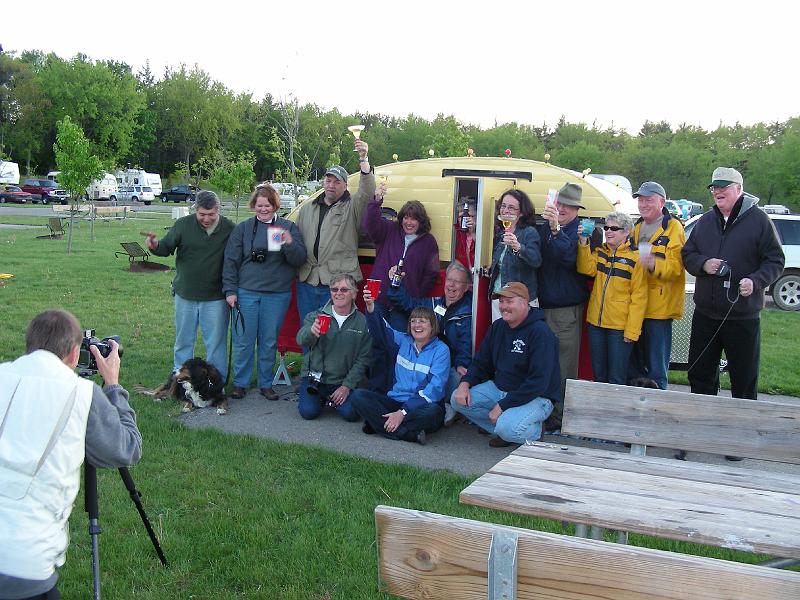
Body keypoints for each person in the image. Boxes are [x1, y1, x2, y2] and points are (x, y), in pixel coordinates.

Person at [0, 310, 142, 599]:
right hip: (24, 563)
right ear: (76, 354)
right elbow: (127, 448)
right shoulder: (82, 393)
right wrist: (113, 385)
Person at [682, 167, 784, 402]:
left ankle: (743, 430)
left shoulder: (759, 221)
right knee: (700, 374)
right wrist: (704, 264)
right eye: (714, 188)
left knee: (744, 378)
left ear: (739, 189)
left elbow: (775, 260)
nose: (717, 192)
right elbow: (688, 254)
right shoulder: (706, 221)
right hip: (706, 315)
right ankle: (703, 423)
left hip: (742, 317)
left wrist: (755, 281)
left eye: (723, 187)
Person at [222, 184, 307, 400]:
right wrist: (230, 291)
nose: (263, 209)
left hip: (277, 294)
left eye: (267, 205)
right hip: (246, 292)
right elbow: (230, 262)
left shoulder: (287, 227)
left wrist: (289, 243)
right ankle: (240, 383)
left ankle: (266, 383)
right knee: (244, 339)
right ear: (254, 206)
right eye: (259, 205)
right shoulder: (243, 229)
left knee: (269, 341)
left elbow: (299, 259)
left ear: (274, 205)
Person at [451, 282, 558, 447]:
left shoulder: (541, 332)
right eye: (501, 301)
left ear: (524, 302)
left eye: (509, 301)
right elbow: (480, 362)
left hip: (536, 396)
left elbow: (538, 382)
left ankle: (534, 433)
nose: (503, 307)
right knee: (457, 399)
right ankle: (506, 428)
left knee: (507, 428)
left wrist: (502, 406)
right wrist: (465, 384)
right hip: (501, 389)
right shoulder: (498, 327)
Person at [145, 191, 235, 380]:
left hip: (216, 297)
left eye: (211, 214)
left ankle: (215, 381)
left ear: (218, 210)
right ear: (195, 210)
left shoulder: (229, 228)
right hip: (185, 294)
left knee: (216, 342)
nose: (206, 219)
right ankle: (180, 378)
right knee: (183, 340)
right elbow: (166, 247)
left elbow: (237, 258)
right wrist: (154, 246)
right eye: (202, 214)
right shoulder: (183, 225)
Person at [349, 288, 451, 445]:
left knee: (433, 412)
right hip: (395, 400)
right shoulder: (402, 340)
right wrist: (371, 307)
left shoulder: (441, 350)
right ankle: (407, 434)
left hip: (422, 406)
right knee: (358, 396)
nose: (417, 325)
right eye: (413, 321)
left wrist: (402, 413)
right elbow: (381, 331)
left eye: (422, 321)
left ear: (432, 326)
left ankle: (380, 425)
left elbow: (435, 390)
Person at [295, 140, 375, 322]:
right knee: (308, 332)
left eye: (337, 182)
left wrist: (363, 159)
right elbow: (296, 241)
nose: (331, 185)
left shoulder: (353, 207)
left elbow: (367, 192)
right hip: (307, 282)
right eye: (328, 180)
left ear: (345, 186)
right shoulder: (307, 208)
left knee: (334, 336)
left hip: (338, 284)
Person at [387, 260, 473, 417]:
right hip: (428, 361)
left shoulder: (468, 312)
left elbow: (465, 344)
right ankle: (413, 405)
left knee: (458, 375)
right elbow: (406, 303)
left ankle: (446, 405)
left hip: (449, 365)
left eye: (458, 282)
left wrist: (462, 364)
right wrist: (395, 283)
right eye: (449, 280)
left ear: (467, 287)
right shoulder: (433, 303)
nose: (452, 285)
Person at [537, 182, 590, 430]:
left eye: (568, 206)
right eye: (560, 204)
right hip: (543, 305)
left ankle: (560, 415)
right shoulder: (545, 227)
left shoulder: (581, 230)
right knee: (545, 362)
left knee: (563, 365)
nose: (562, 209)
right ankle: (546, 410)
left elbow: (570, 259)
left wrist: (556, 228)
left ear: (577, 209)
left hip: (566, 309)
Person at [577, 211, 647, 385]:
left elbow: (639, 297)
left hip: (620, 328)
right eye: (606, 227)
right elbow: (586, 269)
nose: (608, 231)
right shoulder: (601, 252)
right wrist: (584, 243)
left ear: (627, 232)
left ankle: (615, 413)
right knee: (599, 376)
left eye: (614, 228)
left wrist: (632, 331)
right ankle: (600, 412)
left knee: (616, 378)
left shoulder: (636, 258)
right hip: (596, 324)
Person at [628, 181, 686, 390]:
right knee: (634, 366)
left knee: (656, 367)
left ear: (662, 202)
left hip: (659, 310)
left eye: (648, 200)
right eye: (641, 200)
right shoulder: (636, 227)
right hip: (636, 307)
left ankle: (659, 407)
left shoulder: (673, 228)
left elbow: (676, 268)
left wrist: (653, 264)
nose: (643, 204)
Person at [295, 273, 371, 421]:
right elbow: (300, 339)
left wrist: (346, 387)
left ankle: (335, 398)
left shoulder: (363, 322)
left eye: (344, 290)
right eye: (334, 289)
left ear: (354, 294)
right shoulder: (316, 316)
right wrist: (311, 332)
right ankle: (326, 399)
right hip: (315, 379)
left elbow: (364, 359)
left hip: (342, 381)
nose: (338, 293)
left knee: (351, 415)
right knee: (308, 412)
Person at [362, 186, 441, 328]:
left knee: (398, 343)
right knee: (375, 339)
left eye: (414, 219)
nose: (409, 222)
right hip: (379, 298)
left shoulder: (429, 242)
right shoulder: (389, 229)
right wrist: (376, 201)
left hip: (405, 304)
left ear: (421, 221)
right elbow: (370, 225)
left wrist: (415, 295)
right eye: (406, 217)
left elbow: (431, 274)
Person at [489, 189, 542, 321]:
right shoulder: (500, 233)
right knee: (501, 335)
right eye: (503, 206)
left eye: (511, 207)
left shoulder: (529, 233)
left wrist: (518, 247)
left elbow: (536, 261)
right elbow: (502, 264)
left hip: (520, 300)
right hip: (499, 296)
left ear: (522, 212)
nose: (506, 210)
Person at [454, 197, 477, 272]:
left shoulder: (484, 233)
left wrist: (473, 233)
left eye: (470, 216)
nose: (465, 219)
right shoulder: (455, 234)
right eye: (461, 217)